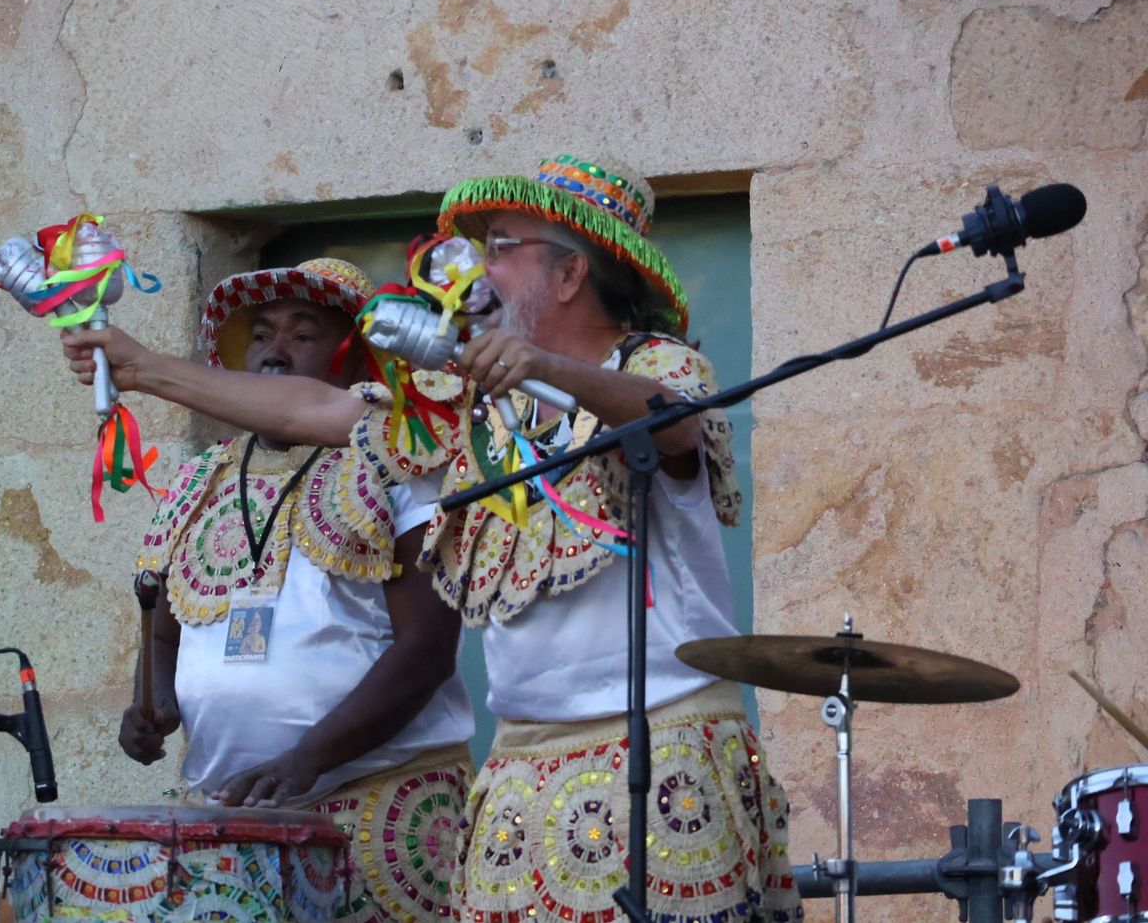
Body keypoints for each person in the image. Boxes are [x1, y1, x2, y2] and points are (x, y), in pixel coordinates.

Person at [62, 158, 803, 923]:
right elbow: (309, 408)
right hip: (518, 764)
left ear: (570, 272)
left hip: (663, 750)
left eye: (502, 246)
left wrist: (545, 367)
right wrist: (143, 368)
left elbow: (675, 420)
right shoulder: (463, 408)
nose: (479, 268)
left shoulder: (654, 366)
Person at [102, 258, 476, 923]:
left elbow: (427, 648)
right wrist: (157, 702)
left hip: (376, 809)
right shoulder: (202, 479)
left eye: (302, 332)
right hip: (232, 823)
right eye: (263, 332)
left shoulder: (399, 460)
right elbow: (167, 630)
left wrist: (310, 756)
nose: (275, 348)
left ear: (352, 353)